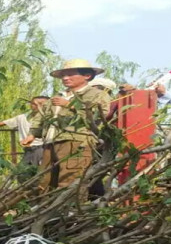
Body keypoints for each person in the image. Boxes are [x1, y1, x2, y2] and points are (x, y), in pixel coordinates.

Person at [22, 59, 111, 195]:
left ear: (87, 76)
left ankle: (69, 212)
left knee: (71, 179)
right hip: (51, 142)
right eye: (63, 75)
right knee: (44, 180)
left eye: (70, 74)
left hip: (76, 142)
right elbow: (42, 116)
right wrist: (32, 134)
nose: (65, 78)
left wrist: (70, 106)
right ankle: (45, 212)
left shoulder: (96, 95)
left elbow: (97, 116)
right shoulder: (58, 96)